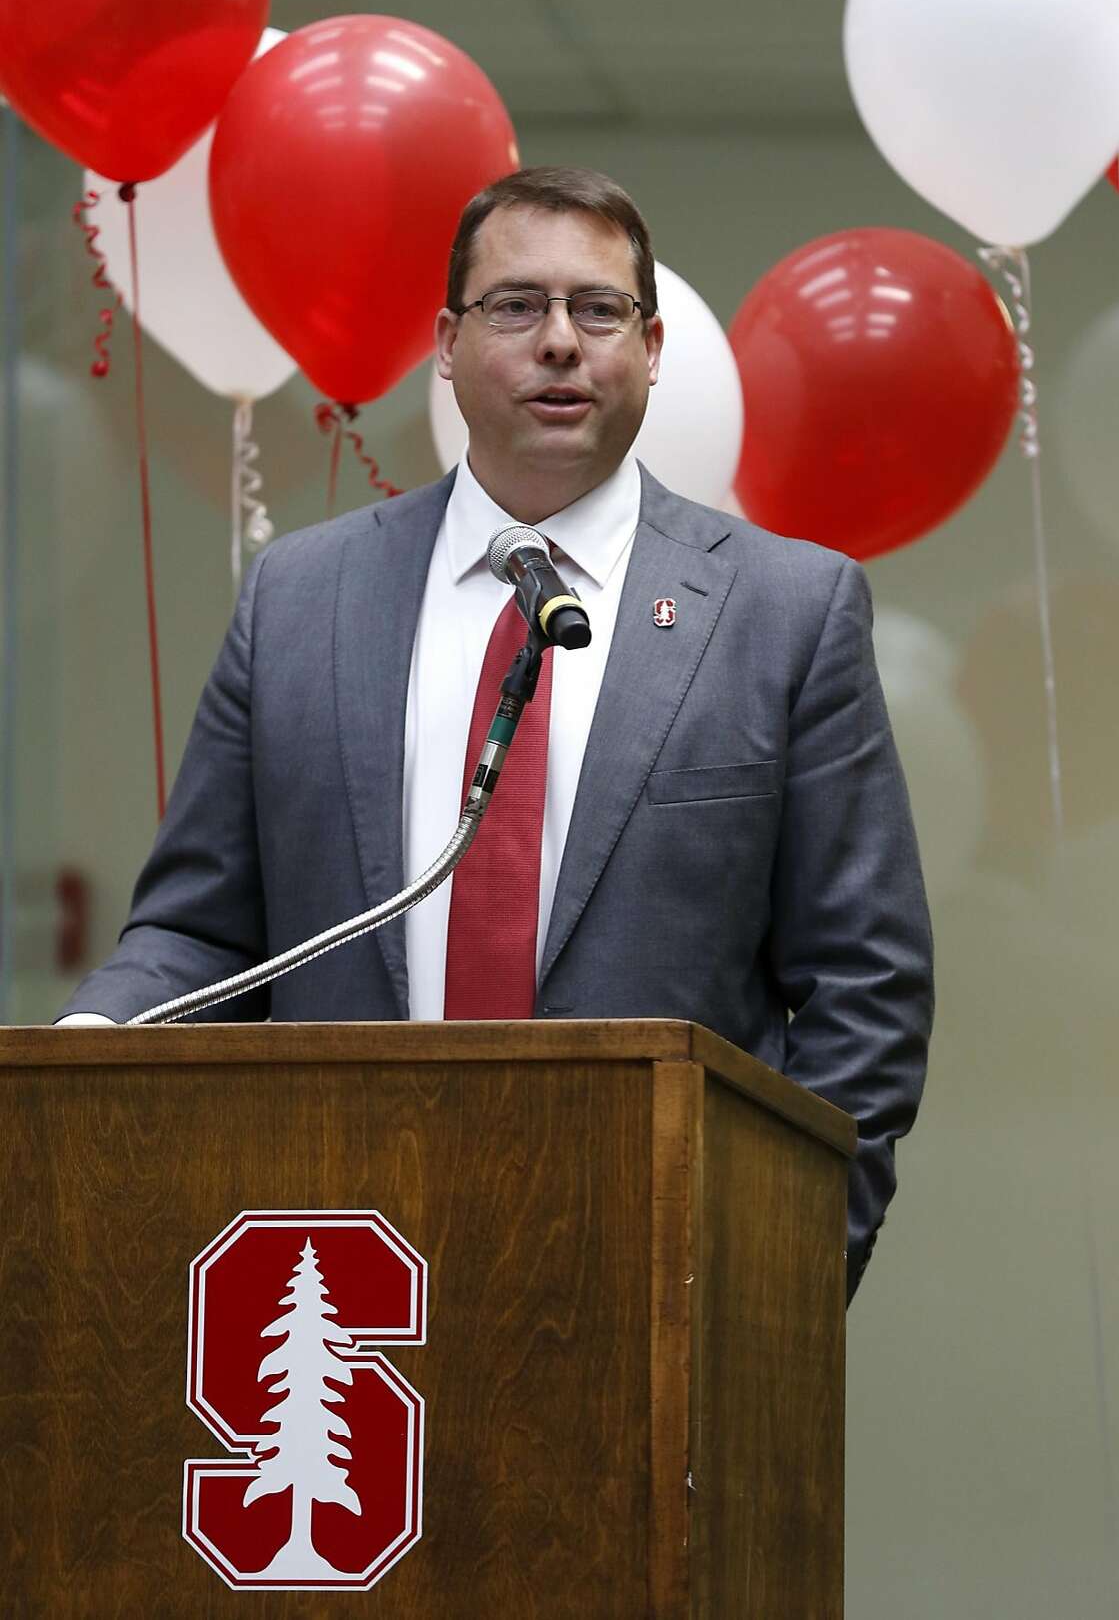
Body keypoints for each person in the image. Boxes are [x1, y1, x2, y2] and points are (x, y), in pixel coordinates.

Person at [57, 165, 933, 1300]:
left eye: (599, 309)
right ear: (446, 343)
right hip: (333, 1273)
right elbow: (202, 935)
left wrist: (792, 1265)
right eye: (517, 306)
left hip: (657, 1272)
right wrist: (72, 1053)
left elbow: (866, 984)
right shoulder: (302, 599)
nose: (560, 341)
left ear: (653, 348)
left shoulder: (786, 612)